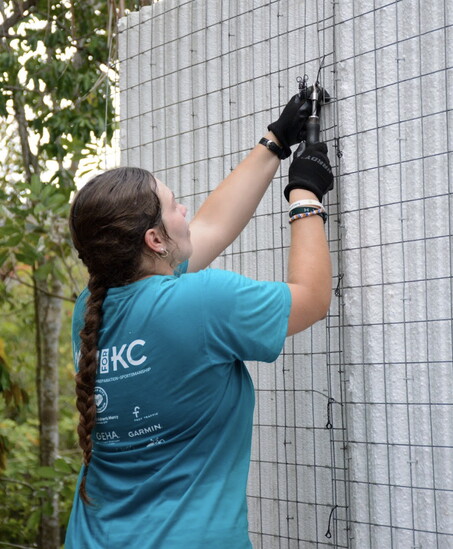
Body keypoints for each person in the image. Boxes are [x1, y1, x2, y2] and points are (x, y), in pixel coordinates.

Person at [64, 90, 334, 548]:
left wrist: (273, 143)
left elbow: (208, 227)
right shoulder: (202, 301)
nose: (185, 210)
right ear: (154, 239)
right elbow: (311, 298)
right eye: (174, 205)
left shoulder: (88, 308)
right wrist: (305, 195)